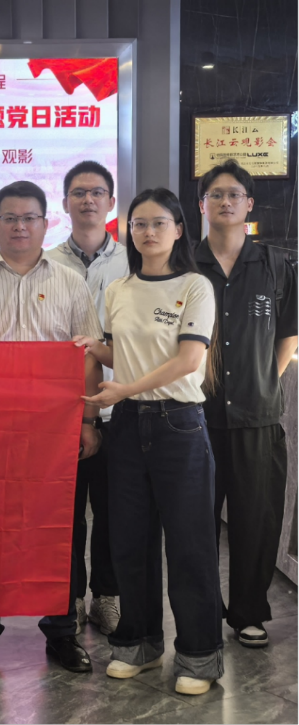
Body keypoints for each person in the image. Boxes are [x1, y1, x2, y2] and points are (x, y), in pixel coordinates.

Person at [0, 181, 103, 676]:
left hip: (54, 432)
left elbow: (89, 356)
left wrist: (88, 422)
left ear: (45, 223)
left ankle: (61, 632)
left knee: (61, 530)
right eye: (9, 218)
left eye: (29, 218)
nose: (19, 226)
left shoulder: (71, 283)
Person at [76, 187, 223, 696]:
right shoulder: (119, 289)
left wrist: (124, 388)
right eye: (138, 223)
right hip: (126, 425)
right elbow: (123, 353)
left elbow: (188, 361)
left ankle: (199, 656)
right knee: (129, 542)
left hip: (179, 425)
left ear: (179, 230)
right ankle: (137, 644)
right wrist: (94, 349)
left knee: (190, 544)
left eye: (159, 222)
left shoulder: (196, 286)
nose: (148, 232)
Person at [194, 159, 299, 648]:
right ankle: (200, 613)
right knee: (195, 523)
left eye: (234, 194)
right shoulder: (185, 265)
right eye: (215, 194)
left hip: (257, 417)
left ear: (249, 204)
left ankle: (249, 613)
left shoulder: (275, 265)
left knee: (256, 520)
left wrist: (265, 380)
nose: (225, 202)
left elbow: (288, 333)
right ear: (203, 205)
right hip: (195, 416)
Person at [45, 161, 128, 636]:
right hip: (61, 410)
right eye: (78, 192)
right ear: (65, 203)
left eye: (97, 192)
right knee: (66, 513)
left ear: (111, 202)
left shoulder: (133, 260)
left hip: (121, 405)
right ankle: (70, 597)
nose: (88, 200)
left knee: (115, 512)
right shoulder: (46, 262)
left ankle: (107, 597)